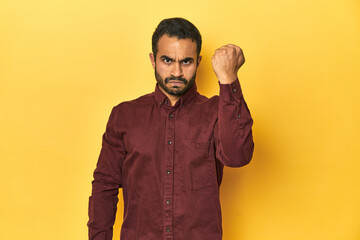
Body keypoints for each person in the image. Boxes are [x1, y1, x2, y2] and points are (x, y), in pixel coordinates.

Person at [87, 17, 254, 240]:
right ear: (153, 60)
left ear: (199, 61)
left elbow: (238, 156)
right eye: (167, 60)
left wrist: (228, 78)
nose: (176, 72)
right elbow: (104, 187)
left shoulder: (216, 112)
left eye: (186, 62)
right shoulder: (124, 116)